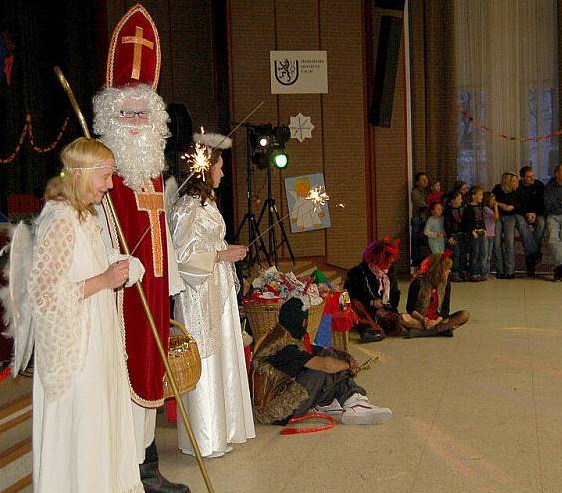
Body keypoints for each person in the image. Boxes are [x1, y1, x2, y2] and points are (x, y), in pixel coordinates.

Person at [92, 3, 189, 493]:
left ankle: (145, 465)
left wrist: (169, 284)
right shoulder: (102, 170)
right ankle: (122, 482)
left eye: (143, 110)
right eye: (125, 110)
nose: (135, 119)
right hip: (117, 297)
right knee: (121, 381)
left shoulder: (150, 166)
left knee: (149, 378)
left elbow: (163, 238)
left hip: (151, 291)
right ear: (110, 113)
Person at [27, 138, 144, 493]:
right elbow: (43, 295)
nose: (110, 185)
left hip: (97, 342)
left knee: (95, 435)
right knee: (81, 436)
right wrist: (103, 281)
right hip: (75, 349)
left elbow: (96, 261)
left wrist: (123, 266)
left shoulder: (86, 216)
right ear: (79, 175)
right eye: (104, 175)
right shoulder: (57, 220)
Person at [169, 130, 255, 458]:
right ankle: (206, 437)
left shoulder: (207, 203)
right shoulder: (187, 206)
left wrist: (225, 251)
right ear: (206, 170)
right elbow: (182, 255)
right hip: (198, 293)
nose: (222, 172)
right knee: (205, 355)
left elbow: (208, 243)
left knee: (223, 354)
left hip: (215, 288)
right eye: (218, 167)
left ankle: (226, 427)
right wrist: (221, 256)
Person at [252, 297, 392, 425]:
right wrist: (349, 366)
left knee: (329, 355)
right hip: (280, 411)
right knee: (327, 364)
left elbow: (314, 351)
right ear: (303, 321)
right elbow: (325, 365)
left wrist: (340, 356)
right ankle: (354, 402)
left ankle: (328, 402)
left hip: (275, 403)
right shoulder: (285, 348)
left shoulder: (279, 335)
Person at [344, 237, 402, 343]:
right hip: (365, 309)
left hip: (384, 310)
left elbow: (395, 294)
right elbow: (349, 296)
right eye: (385, 263)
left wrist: (386, 308)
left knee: (396, 321)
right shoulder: (356, 273)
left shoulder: (390, 273)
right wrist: (371, 303)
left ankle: (378, 327)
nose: (388, 266)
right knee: (354, 305)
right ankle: (371, 329)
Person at [402, 252, 469, 338]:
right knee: (401, 318)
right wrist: (424, 320)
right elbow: (410, 308)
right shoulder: (418, 282)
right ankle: (441, 330)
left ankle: (425, 332)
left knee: (464, 315)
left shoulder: (446, 284)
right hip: (420, 319)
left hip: (438, 320)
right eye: (447, 269)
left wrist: (436, 322)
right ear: (439, 270)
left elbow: (445, 310)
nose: (449, 271)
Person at [515, 165, 546, 276]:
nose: (532, 178)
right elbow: (516, 204)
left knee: (541, 223)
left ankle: (531, 257)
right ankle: (535, 254)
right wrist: (526, 214)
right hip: (522, 214)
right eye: (529, 177)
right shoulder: (517, 186)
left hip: (537, 213)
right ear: (522, 178)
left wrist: (534, 213)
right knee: (521, 224)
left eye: (533, 176)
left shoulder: (539, 185)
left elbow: (543, 203)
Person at [492, 172, 519, 279]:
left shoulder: (516, 192)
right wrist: (500, 205)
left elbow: (512, 207)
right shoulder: (497, 189)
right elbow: (492, 202)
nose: (516, 183)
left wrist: (500, 204)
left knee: (509, 242)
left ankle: (510, 270)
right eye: (513, 180)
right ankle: (500, 270)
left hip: (510, 217)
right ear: (507, 181)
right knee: (497, 242)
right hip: (497, 217)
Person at [463, 186, 487, 282]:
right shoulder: (469, 208)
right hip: (474, 233)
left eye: (482, 195)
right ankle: (473, 273)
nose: (482, 197)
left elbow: (481, 219)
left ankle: (479, 272)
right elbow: (467, 222)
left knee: (481, 253)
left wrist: (484, 229)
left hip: (480, 231)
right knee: (474, 253)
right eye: (480, 195)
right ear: (473, 196)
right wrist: (472, 231)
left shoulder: (480, 207)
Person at [444, 191, 466, 281]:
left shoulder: (463, 209)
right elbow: (447, 225)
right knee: (456, 254)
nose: (461, 201)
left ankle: (463, 271)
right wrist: (449, 236)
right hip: (454, 235)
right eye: (459, 199)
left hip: (462, 234)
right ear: (452, 201)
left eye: (461, 199)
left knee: (463, 254)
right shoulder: (448, 211)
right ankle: (455, 272)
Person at [410, 172, 429, 265]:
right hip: (419, 218)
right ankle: (416, 259)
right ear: (417, 182)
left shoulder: (428, 192)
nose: (425, 181)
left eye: (426, 179)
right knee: (417, 239)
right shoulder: (415, 192)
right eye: (422, 179)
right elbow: (423, 205)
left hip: (428, 219)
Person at [482, 191, 499, 278]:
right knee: (485, 255)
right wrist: (496, 207)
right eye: (493, 200)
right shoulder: (486, 209)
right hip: (486, 234)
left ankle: (487, 273)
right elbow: (496, 217)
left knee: (489, 255)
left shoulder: (489, 209)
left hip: (491, 234)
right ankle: (484, 273)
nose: (494, 201)